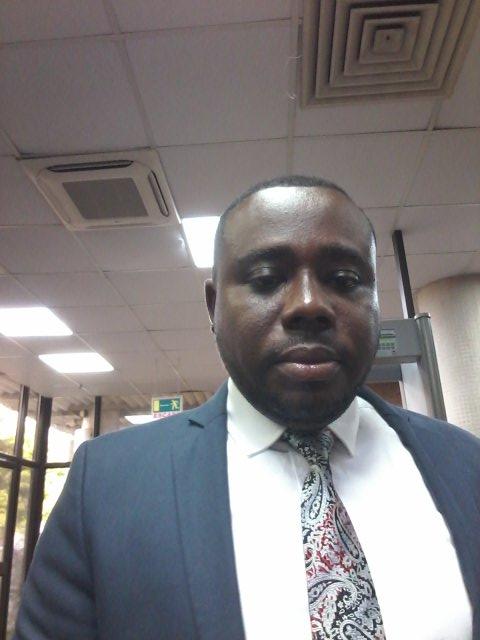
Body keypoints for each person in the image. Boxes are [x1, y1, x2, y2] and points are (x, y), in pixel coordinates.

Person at [14, 176, 480, 640]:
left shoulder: (465, 466)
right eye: (266, 279)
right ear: (213, 307)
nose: (309, 305)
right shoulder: (107, 487)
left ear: (376, 300)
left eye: (344, 280)